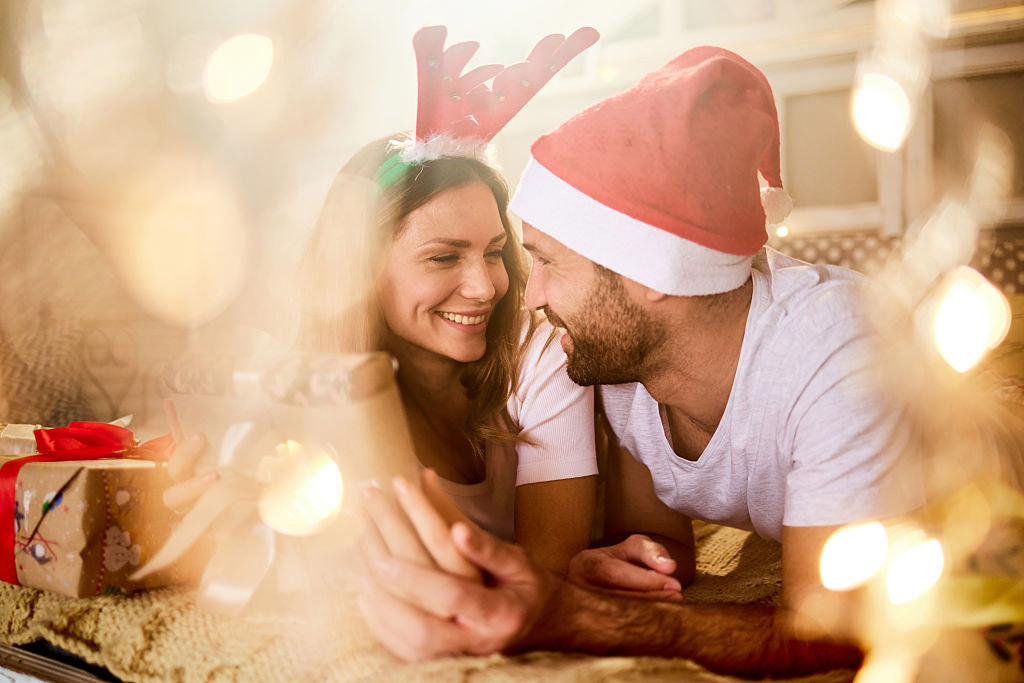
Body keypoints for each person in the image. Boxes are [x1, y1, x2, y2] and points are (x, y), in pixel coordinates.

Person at [356, 45, 926, 675]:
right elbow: (665, 551)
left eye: (546, 260)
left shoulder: (840, 354)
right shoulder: (625, 363)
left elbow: (838, 629)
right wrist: (612, 568)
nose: (526, 294)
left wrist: (571, 613)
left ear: (651, 272)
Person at [164, 25, 603, 575]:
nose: (486, 287)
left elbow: (545, 578)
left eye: (494, 251)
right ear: (359, 271)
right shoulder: (303, 389)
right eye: (444, 257)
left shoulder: (537, 352)